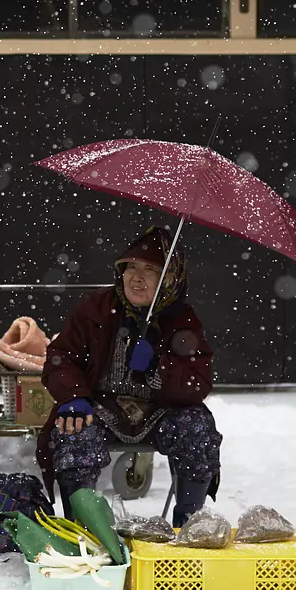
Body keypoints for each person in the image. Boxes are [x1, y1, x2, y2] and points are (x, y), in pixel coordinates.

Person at [38, 226, 221, 528]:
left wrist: (158, 368)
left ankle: (189, 525)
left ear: (170, 278)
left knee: (198, 429)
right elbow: (61, 357)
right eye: (130, 267)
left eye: (150, 269)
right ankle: (83, 530)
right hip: (101, 406)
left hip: (161, 411)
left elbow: (197, 383)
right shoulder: (96, 308)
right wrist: (74, 397)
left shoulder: (182, 320)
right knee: (72, 429)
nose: (136, 277)